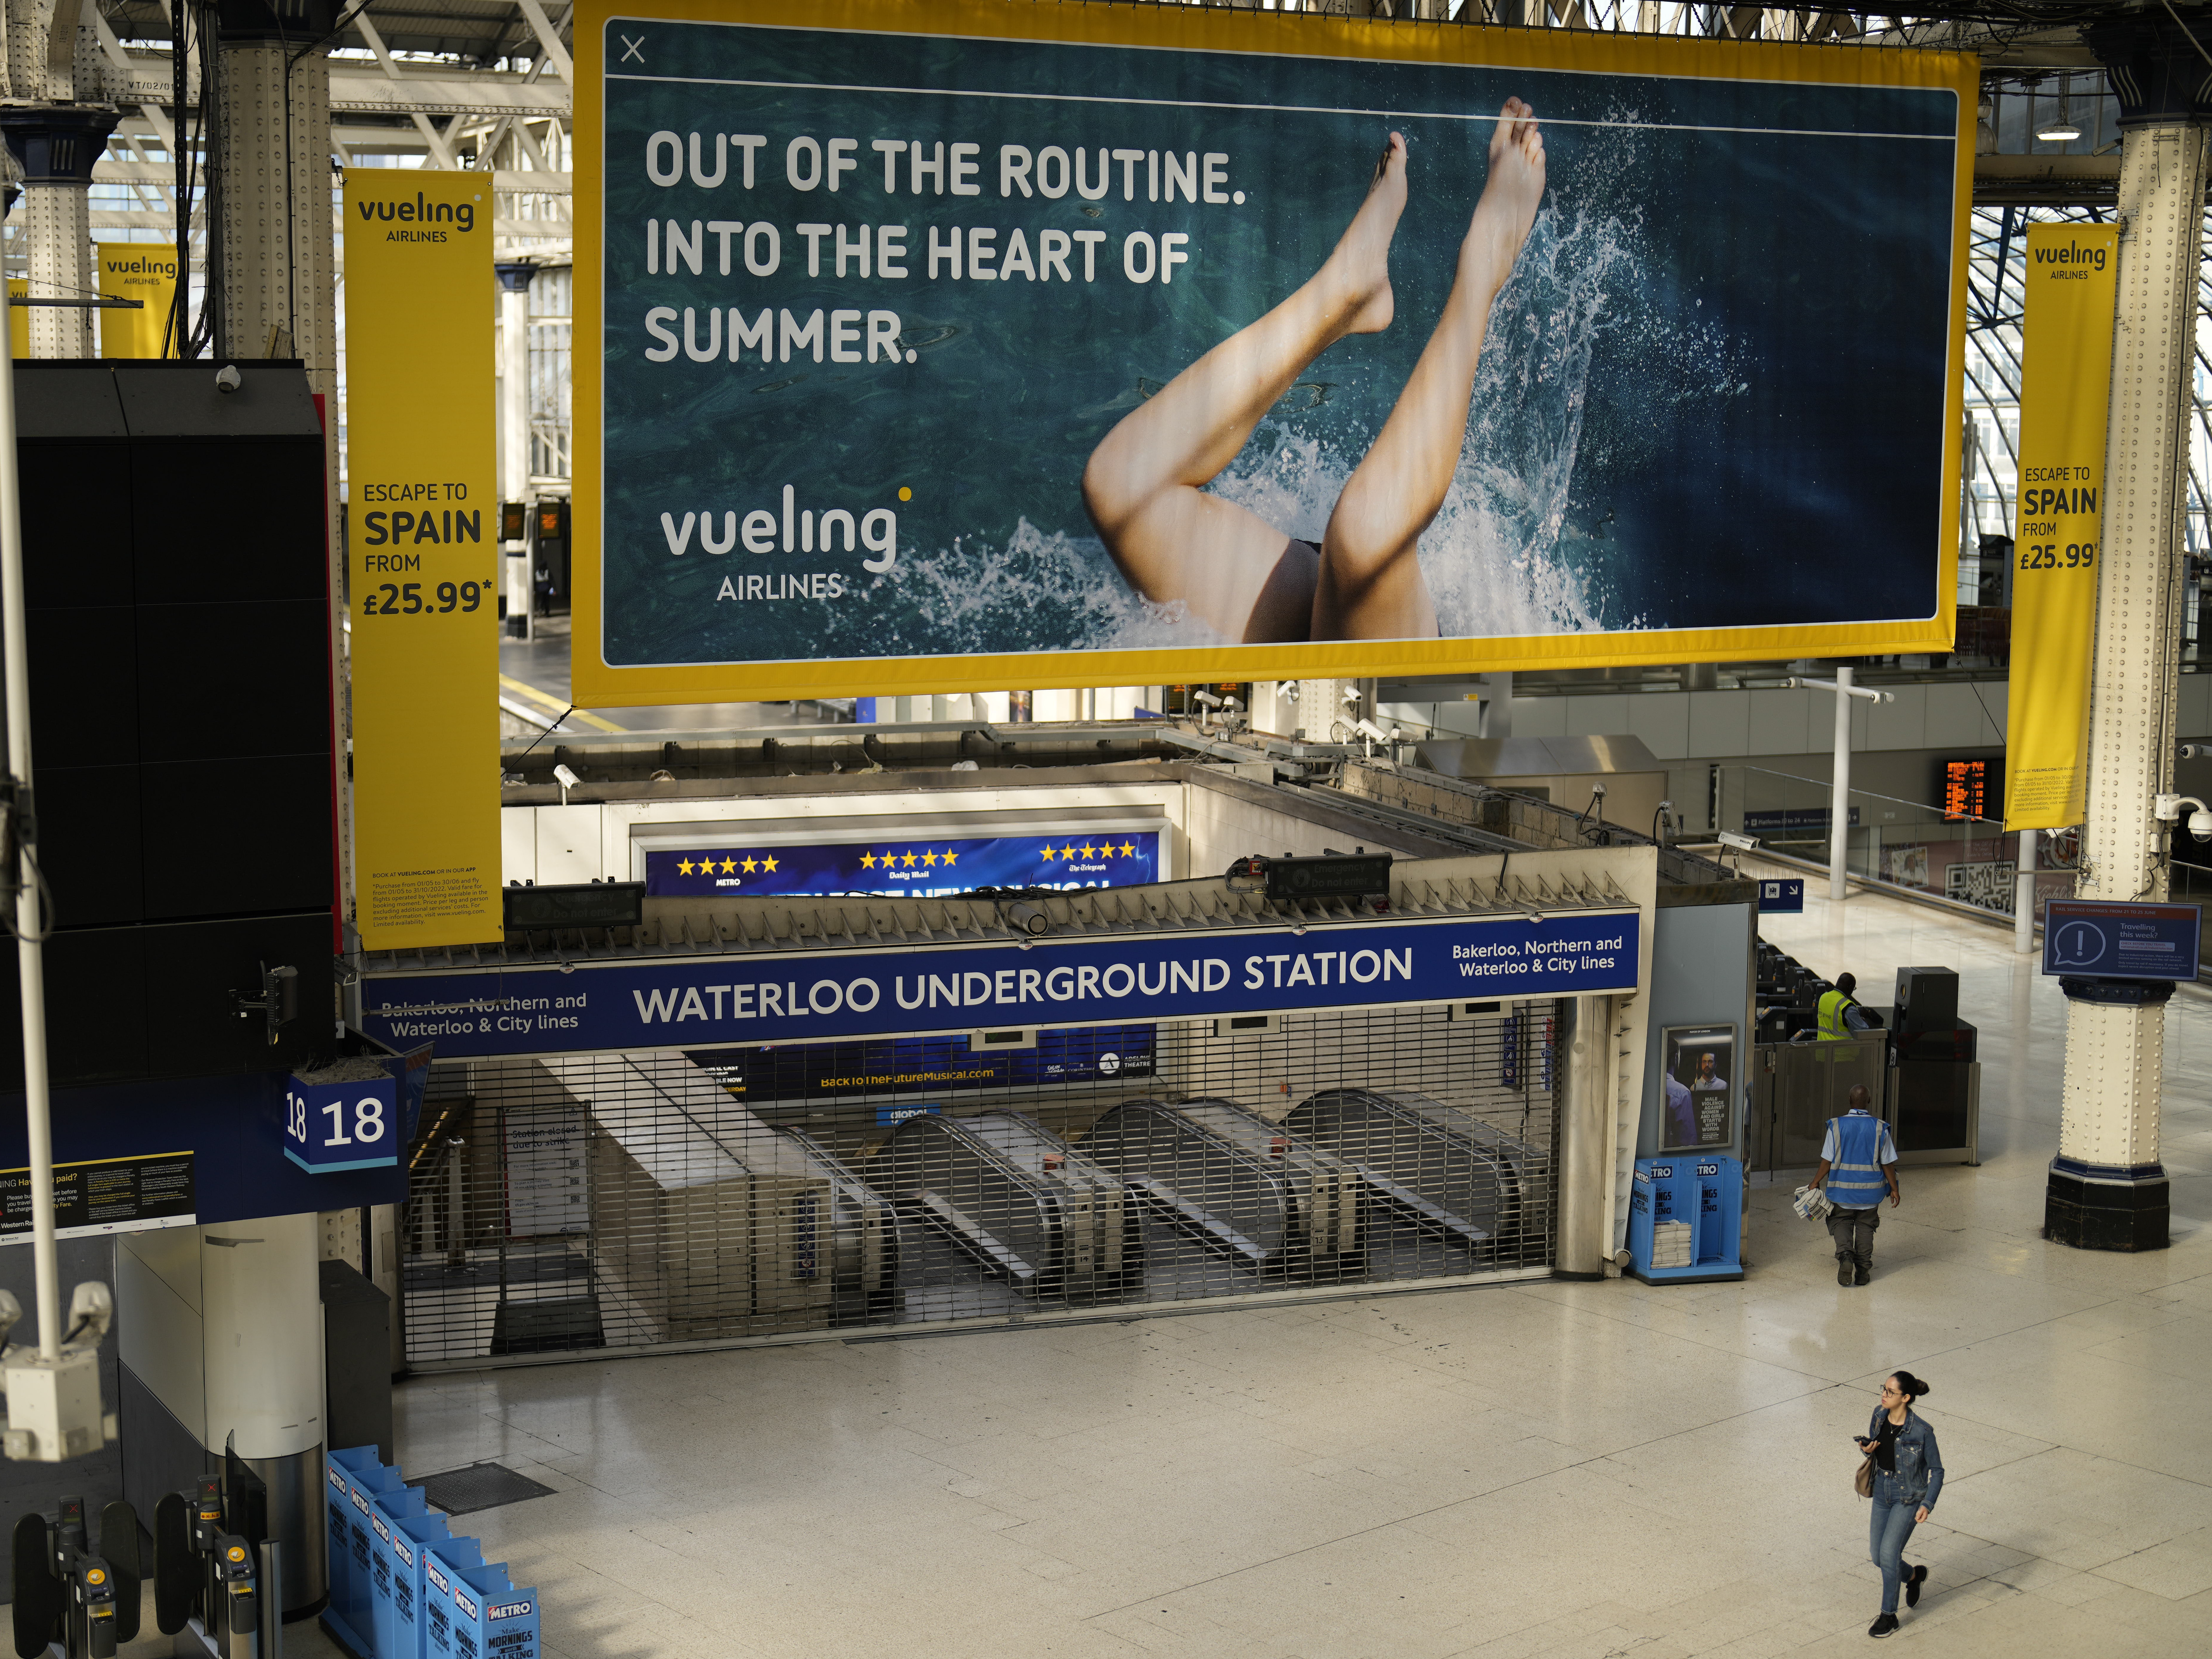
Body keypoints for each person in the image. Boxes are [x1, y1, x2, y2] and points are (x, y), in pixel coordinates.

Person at [1082, 101, 1548, 645]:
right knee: (1364, 534)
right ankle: (1437, 275)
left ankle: (1359, 288)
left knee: (1118, 484)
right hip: (1379, 654)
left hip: (1326, 656)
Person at [1855, 1369, 1943, 1638]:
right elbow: (1879, 1448)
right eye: (1884, 1389)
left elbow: (1937, 1471)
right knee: (1877, 1556)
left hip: (1908, 1497)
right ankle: (1914, 1577)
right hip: (1882, 1490)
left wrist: (1927, 1503)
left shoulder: (1922, 1431)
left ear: (1905, 1397)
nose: (1884, 1395)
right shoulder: (1879, 1415)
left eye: (1891, 1392)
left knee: (1889, 1554)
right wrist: (1866, 1449)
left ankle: (1889, 1616)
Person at [1812, 1084, 1899, 1285]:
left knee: (1841, 1222)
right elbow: (1888, 1164)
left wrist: (1815, 1183)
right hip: (1871, 1194)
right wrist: (1894, 1189)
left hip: (1841, 1193)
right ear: (1869, 1101)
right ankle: (1863, 1271)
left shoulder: (1836, 1126)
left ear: (1850, 1101)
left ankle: (1846, 1257)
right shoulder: (1880, 1128)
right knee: (1866, 1227)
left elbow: (1827, 1161)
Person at [1816, 972, 1880, 1040]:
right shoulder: (1848, 1007)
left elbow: (1834, 1019)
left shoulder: (1823, 997)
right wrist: (1865, 1019)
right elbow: (1863, 1032)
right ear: (1850, 987)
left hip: (1822, 1050)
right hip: (1841, 1050)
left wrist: (1857, 1016)